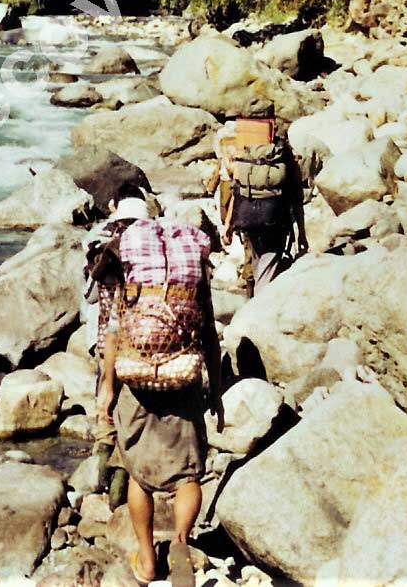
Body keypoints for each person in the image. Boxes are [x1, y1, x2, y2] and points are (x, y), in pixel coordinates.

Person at [97, 215, 223, 587]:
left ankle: (148, 561)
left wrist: (107, 387)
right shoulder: (192, 276)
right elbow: (210, 336)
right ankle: (182, 542)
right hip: (181, 378)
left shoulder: (130, 274)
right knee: (187, 474)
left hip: (135, 383)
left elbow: (113, 335)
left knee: (139, 474)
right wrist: (214, 389)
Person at [82, 182, 151, 508]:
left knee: (106, 402)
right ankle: (122, 480)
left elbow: (91, 295)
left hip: (107, 338)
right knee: (136, 408)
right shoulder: (157, 237)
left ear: (114, 205)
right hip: (146, 337)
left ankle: (98, 468)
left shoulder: (98, 238)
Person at [212, 115, 307, 293]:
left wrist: (229, 225)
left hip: (248, 218)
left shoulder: (246, 158)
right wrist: (301, 234)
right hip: (275, 221)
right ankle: (259, 305)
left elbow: (236, 194)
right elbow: (297, 200)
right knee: (268, 266)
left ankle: (252, 298)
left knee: (256, 262)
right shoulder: (284, 158)